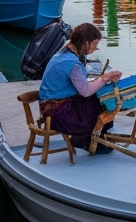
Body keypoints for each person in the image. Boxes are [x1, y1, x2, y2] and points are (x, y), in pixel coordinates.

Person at [38, 22, 123, 153]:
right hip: (57, 113)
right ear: (85, 42)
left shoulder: (63, 53)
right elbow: (85, 91)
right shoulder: (72, 63)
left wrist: (101, 80)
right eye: (94, 44)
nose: (95, 48)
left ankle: (89, 138)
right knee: (102, 103)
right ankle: (88, 140)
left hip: (49, 106)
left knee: (97, 97)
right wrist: (104, 78)